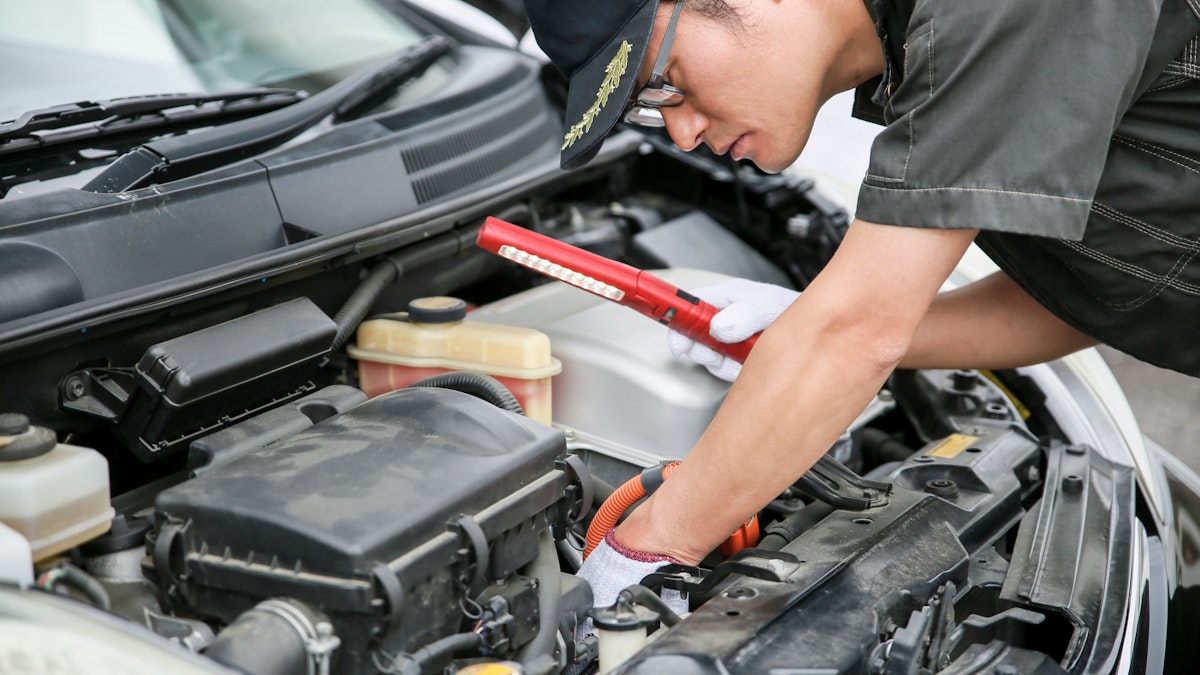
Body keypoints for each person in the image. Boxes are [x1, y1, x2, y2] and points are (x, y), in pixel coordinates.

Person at [522, 0, 1200, 614]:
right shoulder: (921, 52)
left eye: (665, 80)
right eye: (650, 111)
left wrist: (647, 546)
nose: (682, 134)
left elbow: (853, 335)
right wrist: (827, 330)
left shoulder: (995, 12)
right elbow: (1095, 295)